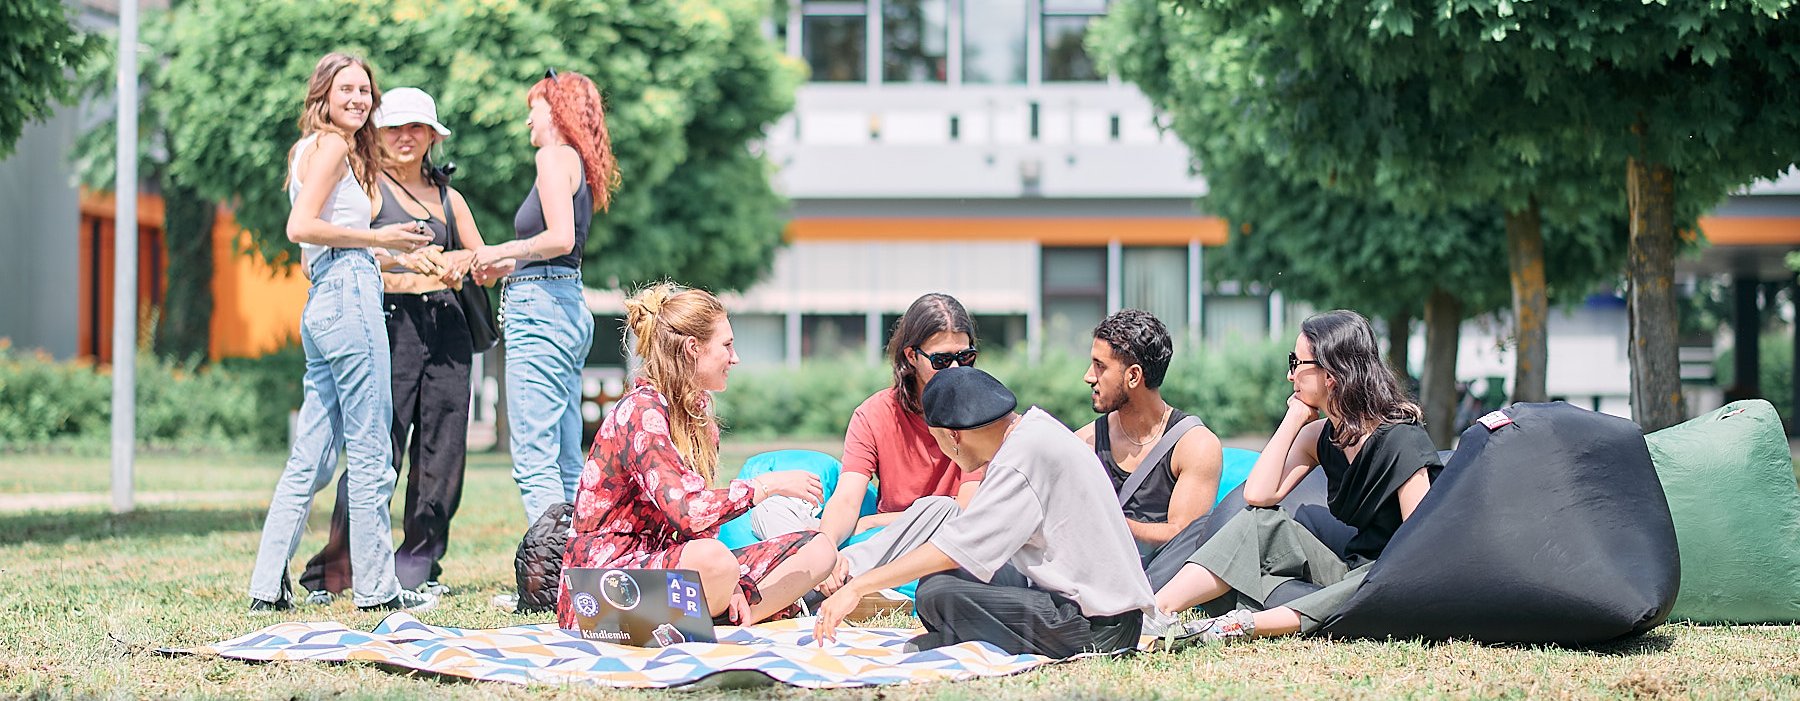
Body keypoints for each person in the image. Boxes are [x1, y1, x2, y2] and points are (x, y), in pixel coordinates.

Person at [246, 53, 437, 613]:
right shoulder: (330, 146)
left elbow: (326, 250)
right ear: (323, 95)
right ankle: (378, 593)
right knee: (373, 450)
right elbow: (300, 228)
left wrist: (399, 260)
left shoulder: (309, 150)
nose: (358, 98)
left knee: (312, 455)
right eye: (346, 89)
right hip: (348, 301)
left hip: (329, 299)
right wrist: (382, 241)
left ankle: (266, 585)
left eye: (364, 91)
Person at [814, 367, 1156, 658]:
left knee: (936, 592)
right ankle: (965, 638)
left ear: (953, 436)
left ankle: (966, 640)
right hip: (1090, 607)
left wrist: (858, 586)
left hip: (1098, 629)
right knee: (945, 582)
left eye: (939, 443)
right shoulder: (1034, 430)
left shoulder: (1020, 458)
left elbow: (954, 549)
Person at [1152, 310, 1443, 647]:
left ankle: (1235, 626)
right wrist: (1294, 418)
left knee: (1370, 579)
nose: (1290, 375)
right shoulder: (1322, 437)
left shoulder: (1401, 441)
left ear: (1332, 373)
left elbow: (1419, 548)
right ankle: (1156, 610)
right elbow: (1259, 495)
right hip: (1347, 570)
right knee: (1260, 522)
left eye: (1297, 362)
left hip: (1389, 578)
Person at [557, 283, 837, 628]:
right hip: (599, 591)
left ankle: (723, 619)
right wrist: (764, 486)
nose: (735, 358)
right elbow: (688, 512)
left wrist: (730, 581)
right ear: (693, 348)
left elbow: (700, 531)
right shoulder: (641, 412)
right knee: (715, 561)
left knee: (820, 549)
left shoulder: (699, 418)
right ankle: (712, 614)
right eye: (727, 345)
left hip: (670, 570)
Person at [298, 87, 484, 603]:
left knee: (442, 453)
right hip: (387, 322)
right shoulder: (364, 188)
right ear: (377, 133)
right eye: (395, 127)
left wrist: (464, 263)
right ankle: (334, 572)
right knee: (375, 449)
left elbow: (481, 259)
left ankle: (418, 566)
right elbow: (333, 254)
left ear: (432, 137)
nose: (406, 138)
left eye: (417, 128)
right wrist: (405, 262)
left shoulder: (450, 197)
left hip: (448, 328)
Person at [749, 293, 983, 594]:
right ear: (911, 356)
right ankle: (821, 567)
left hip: (936, 538)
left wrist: (875, 521)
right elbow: (847, 498)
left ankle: (813, 577)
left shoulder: (981, 415)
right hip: (877, 546)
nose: (955, 370)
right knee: (769, 511)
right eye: (941, 360)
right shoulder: (875, 414)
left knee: (942, 510)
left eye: (965, 358)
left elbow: (964, 510)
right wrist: (825, 546)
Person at [473, 69, 620, 526]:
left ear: (556, 110)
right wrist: (510, 265)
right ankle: (579, 568)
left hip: (540, 310)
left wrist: (500, 250)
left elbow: (559, 237)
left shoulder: (554, 158)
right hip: (564, 303)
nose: (527, 123)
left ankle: (553, 575)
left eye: (532, 110)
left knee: (535, 457)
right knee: (564, 454)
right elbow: (561, 250)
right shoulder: (577, 161)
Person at [1075, 309, 1223, 564]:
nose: (1088, 376)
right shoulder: (1083, 443)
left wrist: (1110, 522)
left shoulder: (1195, 445)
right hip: (1093, 576)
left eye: (1100, 366)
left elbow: (1184, 537)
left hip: (1161, 583)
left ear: (1133, 376)